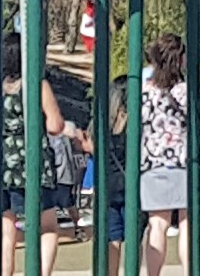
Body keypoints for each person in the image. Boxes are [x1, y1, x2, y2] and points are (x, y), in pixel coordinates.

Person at [139, 33, 200, 276]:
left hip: (152, 163)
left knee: (156, 224)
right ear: (180, 60)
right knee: (187, 224)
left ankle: (152, 273)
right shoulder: (191, 89)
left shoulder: (143, 91)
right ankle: (190, 271)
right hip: (185, 162)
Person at [0, 32, 66, 276]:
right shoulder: (36, 84)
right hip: (30, 160)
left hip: (1, 160)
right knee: (47, 225)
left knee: (7, 227)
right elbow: (55, 124)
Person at [75, 79, 129, 276]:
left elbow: (91, 148)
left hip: (107, 185)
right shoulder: (135, 124)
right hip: (132, 186)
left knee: (111, 237)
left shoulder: (101, 123)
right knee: (134, 238)